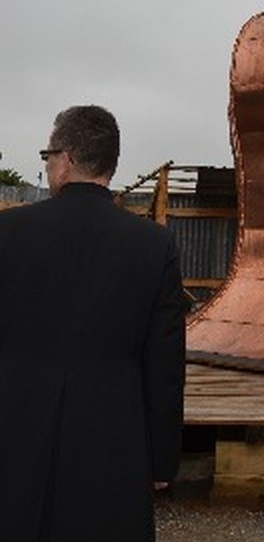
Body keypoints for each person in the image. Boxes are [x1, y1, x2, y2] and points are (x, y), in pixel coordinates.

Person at [0, 105, 186, 542]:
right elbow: (165, 365)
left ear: (64, 160)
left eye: (47, 157)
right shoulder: (153, 245)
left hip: (13, 429)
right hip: (113, 439)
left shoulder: (7, 234)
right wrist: (161, 459)